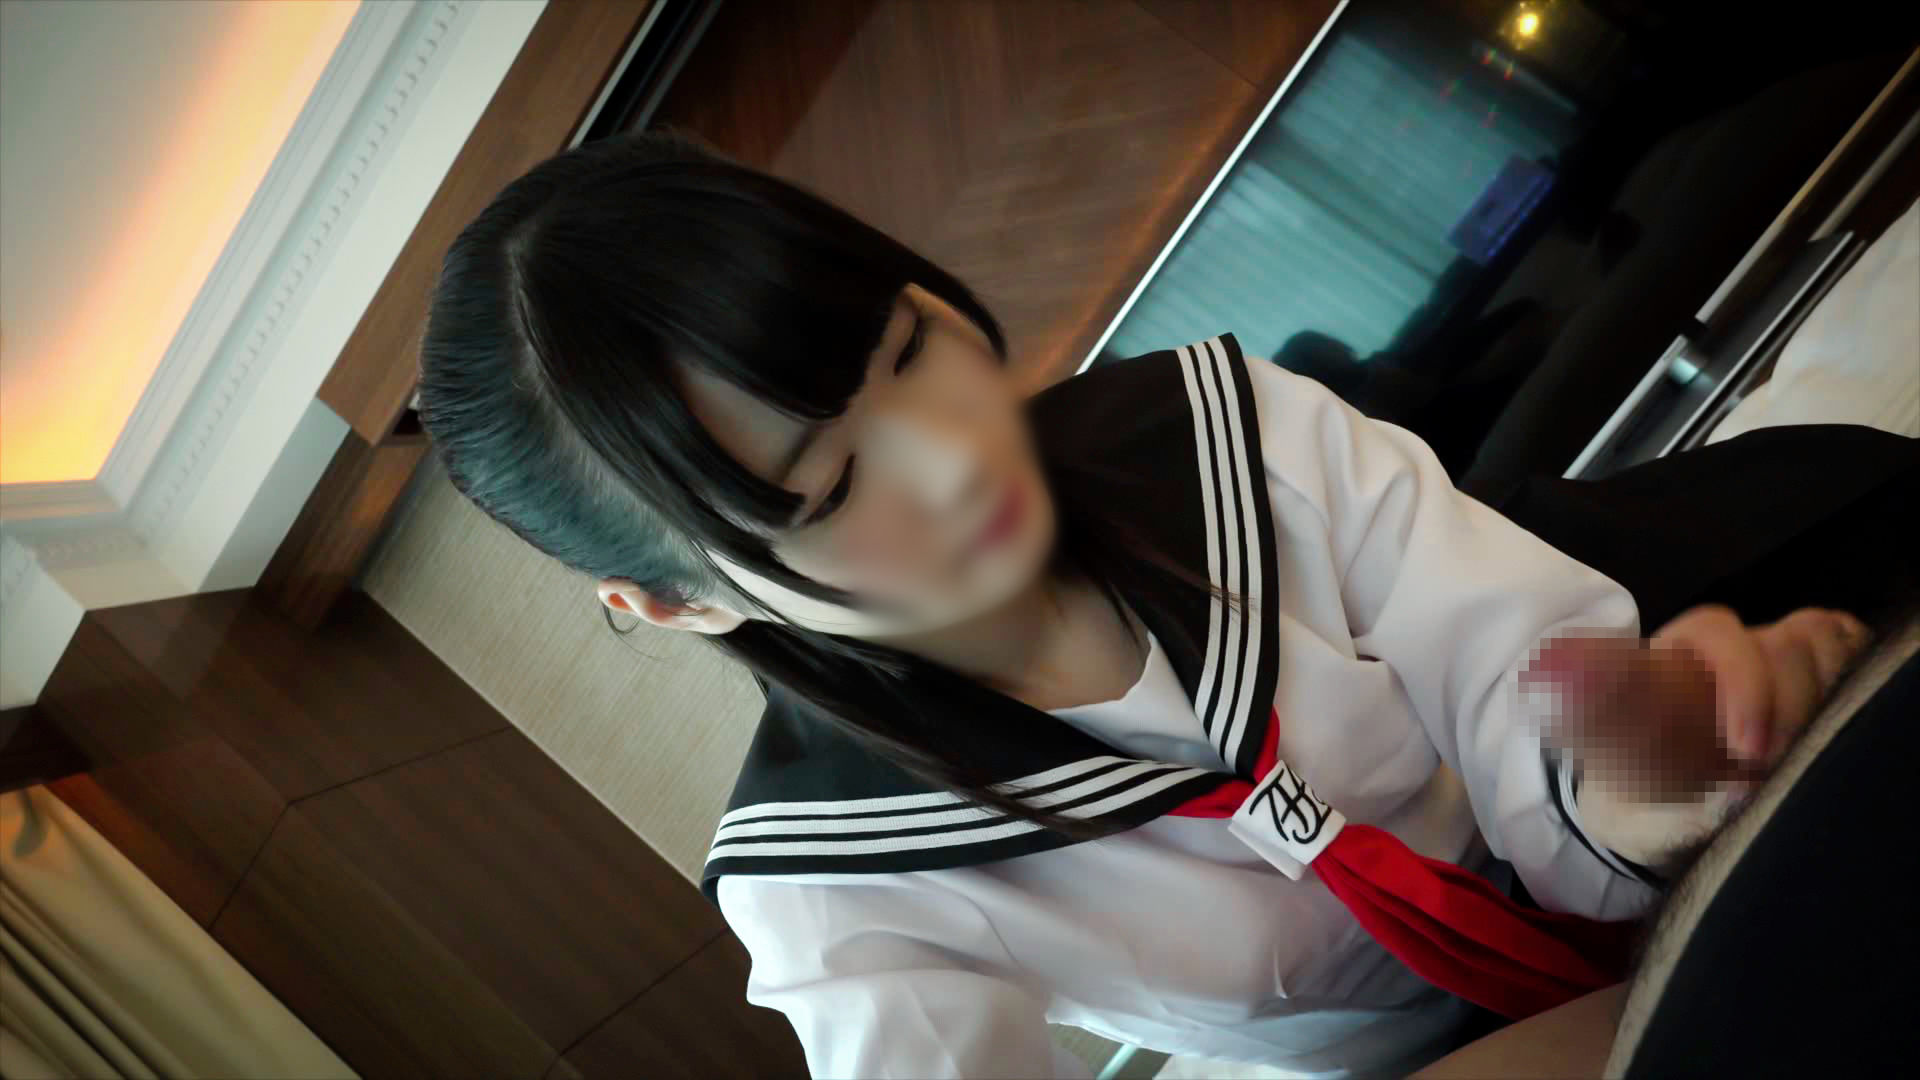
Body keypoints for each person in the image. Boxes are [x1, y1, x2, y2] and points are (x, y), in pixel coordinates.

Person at [413, 131, 1919, 1078]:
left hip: (1645, 753)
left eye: (909, 347)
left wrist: (1639, 770)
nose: (950, 456)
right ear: (677, 603)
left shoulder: (1223, 426)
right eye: (831, 486)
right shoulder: (833, 889)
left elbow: (1510, 667)